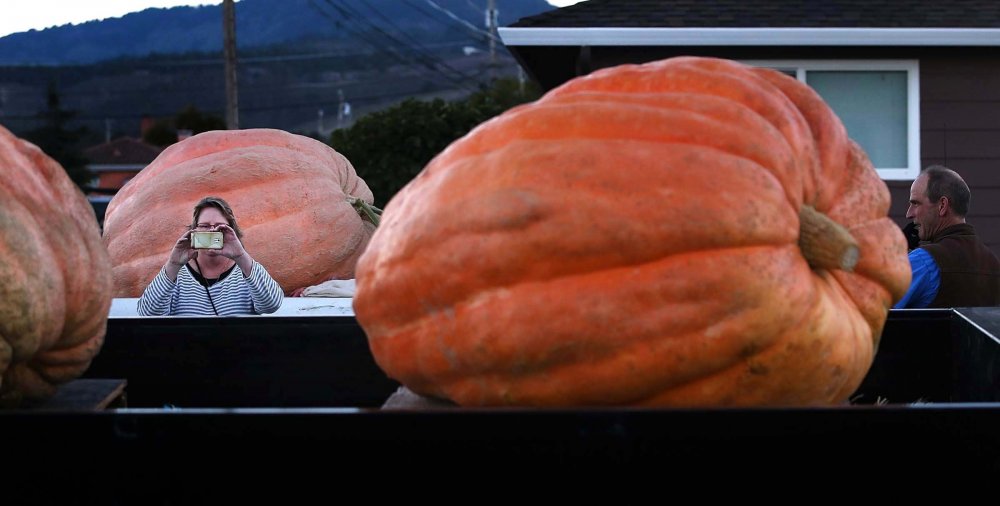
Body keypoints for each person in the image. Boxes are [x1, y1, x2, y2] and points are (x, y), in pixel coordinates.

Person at [137, 196, 284, 316]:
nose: (212, 232)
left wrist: (241, 256)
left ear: (231, 231)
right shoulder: (176, 276)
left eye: (220, 227)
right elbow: (148, 312)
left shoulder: (247, 273)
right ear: (194, 231)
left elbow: (271, 305)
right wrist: (173, 264)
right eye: (205, 226)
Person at [894, 166, 1000, 308]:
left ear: (942, 205)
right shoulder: (993, 264)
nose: (909, 213)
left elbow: (866, 311)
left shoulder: (923, 261)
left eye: (915, 203)